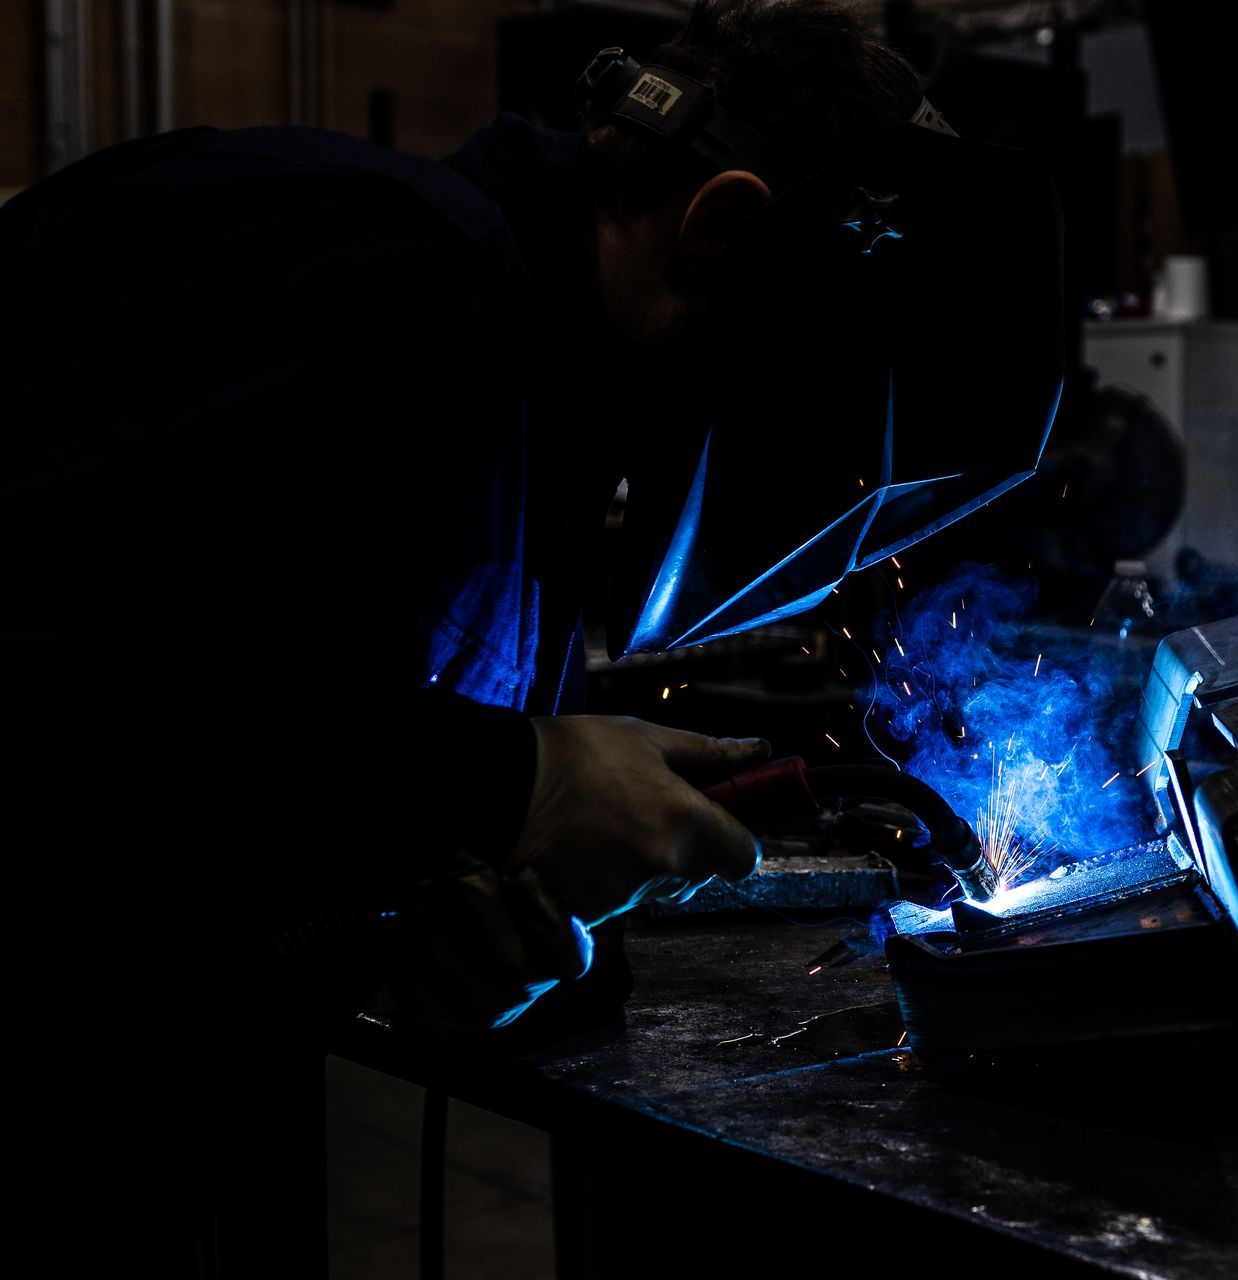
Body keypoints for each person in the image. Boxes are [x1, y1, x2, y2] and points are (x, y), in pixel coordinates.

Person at [0, 1, 1059, 1271]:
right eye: (797, 389)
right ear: (717, 226)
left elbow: (263, 766)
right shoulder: (389, 256)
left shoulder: (527, 439)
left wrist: (456, 944)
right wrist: (514, 778)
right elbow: (57, 682)